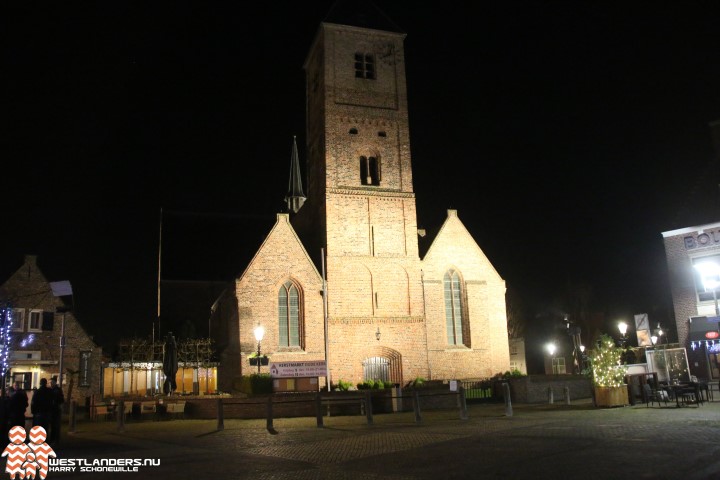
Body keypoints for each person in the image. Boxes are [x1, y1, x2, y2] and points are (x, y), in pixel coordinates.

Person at [49, 377, 64, 443]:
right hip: (51, 409)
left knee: (55, 425)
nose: (51, 384)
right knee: (53, 425)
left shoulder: (57, 390)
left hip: (56, 409)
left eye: (52, 382)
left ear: (55, 382)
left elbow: (61, 399)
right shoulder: (50, 390)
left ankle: (55, 439)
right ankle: (53, 438)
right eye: (50, 383)